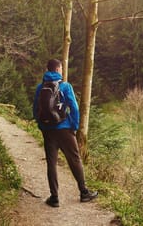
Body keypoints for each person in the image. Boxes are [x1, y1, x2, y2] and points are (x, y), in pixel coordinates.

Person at [33, 59, 98, 207]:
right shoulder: (66, 86)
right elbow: (74, 108)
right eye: (61, 68)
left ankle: (54, 197)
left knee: (52, 163)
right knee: (74, 160)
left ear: (47, 69)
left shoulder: (40, 87)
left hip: (48, 131)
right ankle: (84, 192)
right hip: (65, 129)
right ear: (58, 70)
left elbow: (36, 108)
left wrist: (42, 125)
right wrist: (73, 127)